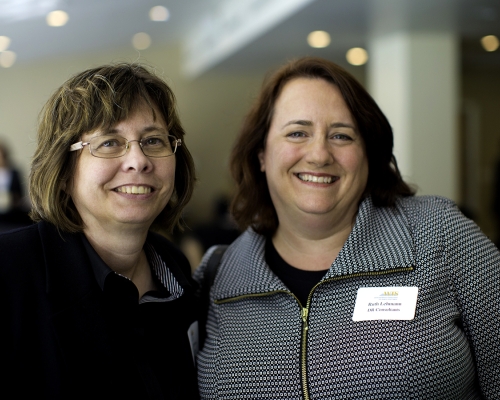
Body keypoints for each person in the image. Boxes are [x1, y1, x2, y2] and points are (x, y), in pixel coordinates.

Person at [195, 57, 500, 399]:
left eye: (341, 135)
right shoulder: (218, 277)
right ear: (262, 154)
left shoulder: (441, 237)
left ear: (368, 154)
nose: (319, 154)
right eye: (298, 132)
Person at [0, 63, 200, 399]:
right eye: (109, 142)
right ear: (63, 171)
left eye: (153, 140)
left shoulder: (176, 271)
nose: (138, 160)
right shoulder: (9, 270)